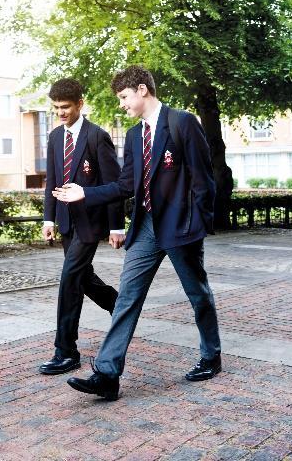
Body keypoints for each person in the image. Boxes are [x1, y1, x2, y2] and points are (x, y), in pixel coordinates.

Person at [53, 65, 222, 400]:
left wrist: (199, 225)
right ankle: (107, 374)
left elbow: (204, 180)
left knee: (197, 293)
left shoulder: (182, 123)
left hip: (181, 227)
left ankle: (211, 355)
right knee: (127, 297)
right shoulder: (133, 136)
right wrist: (85, 193)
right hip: (145, 227)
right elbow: (125, 185)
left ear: (142, 90)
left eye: (124, 97)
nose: (122, 104)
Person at [39, 78, 126, 376]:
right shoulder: (54, 137)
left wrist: (116, 226)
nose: (60, 113)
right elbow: (52, 181)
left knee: (69, 280)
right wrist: (48, 219)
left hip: (91, 222)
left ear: (80, 104)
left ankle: (66, 352)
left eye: (65, 107)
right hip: (66, 221)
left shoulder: (97, 137)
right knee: (82, 276)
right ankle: (120, 305)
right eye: (56, 108)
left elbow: (114, 185)